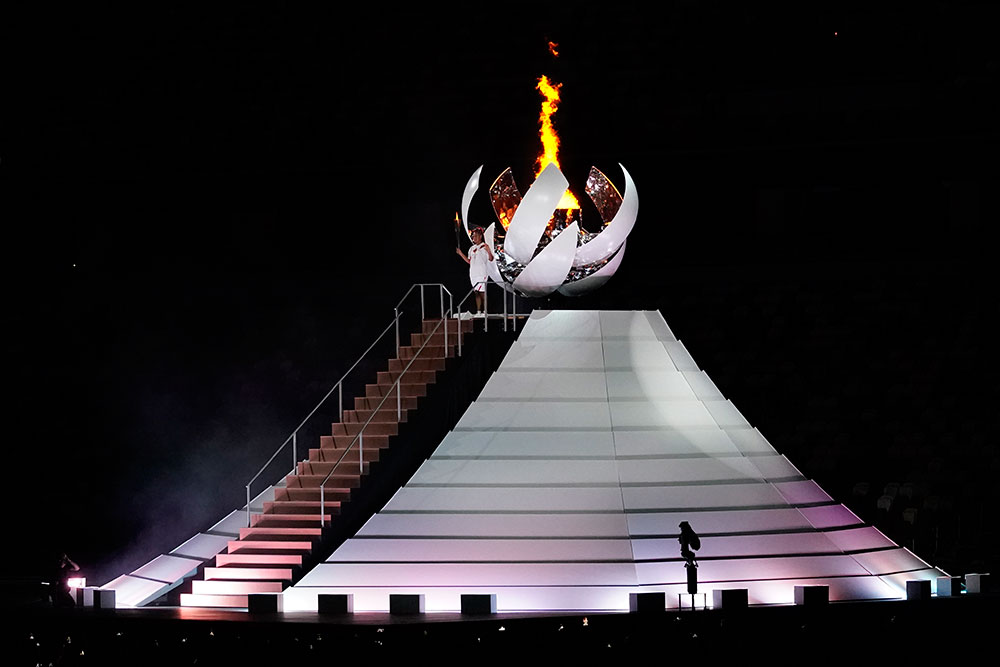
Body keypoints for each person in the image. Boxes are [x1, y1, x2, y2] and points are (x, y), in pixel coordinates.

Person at [455, 226, 494, 316]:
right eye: (473, 236)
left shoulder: (485, 246)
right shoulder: (471, 249)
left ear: (480, 236)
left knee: (482, 292)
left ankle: (485, 312)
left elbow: (491, 259)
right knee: (476, 293)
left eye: (475, 236)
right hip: (473, 273)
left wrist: (488, 251)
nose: (473, 238)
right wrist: (460, 254)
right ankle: (479, 311)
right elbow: (469, 261)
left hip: (482, 273)